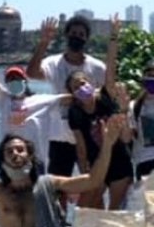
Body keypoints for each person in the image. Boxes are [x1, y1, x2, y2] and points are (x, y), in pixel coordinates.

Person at [66, 16, 134, 209]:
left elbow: (110, 68)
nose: (82, 87)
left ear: (92, 84)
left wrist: (113, 36)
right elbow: (80, 146)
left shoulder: (105, 97)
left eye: (84, 82)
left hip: (120, 161)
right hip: (98, 164)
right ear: (72, 93)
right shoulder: (75, 113)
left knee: (116, 211)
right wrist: (84, 171)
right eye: (76, 86)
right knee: (89, 208)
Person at [26, 14, 106, 176]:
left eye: (81, 35)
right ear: (66, 36)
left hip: (88, 134)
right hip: (59, 134)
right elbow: (32, 73)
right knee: (58, 184)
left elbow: (106, 97)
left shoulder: (97, 67)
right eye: (74, 34)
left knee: (92, 179)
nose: (77, 38)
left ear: (87, 39)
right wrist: (44, 42)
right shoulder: (53, 63)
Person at [0, 36, 69, 172]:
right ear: (6, 83)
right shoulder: (5, 100)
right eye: (11, 79)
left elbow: (68, 98)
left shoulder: (42, 100)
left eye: (18, 78)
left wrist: (91, 91)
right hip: (9, 161)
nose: (14, 81)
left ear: (25, 80)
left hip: (35, 162)